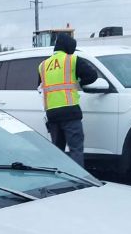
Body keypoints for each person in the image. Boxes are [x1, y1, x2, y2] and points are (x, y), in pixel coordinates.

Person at [37, 33, 97, 166]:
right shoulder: (72, 60)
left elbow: (40, 87)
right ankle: (78, 180)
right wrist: (79, 84)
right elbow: (92, 75)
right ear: (69, 47)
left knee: (57, 152)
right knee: (75, 149)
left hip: (52, 114)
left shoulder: (43, 65)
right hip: (70, 112)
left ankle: (59, 181)